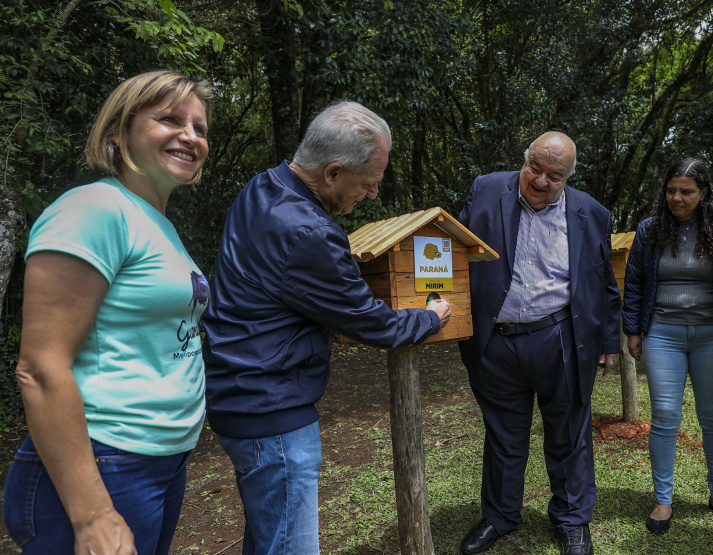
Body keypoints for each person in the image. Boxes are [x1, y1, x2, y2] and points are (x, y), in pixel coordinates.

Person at [202, 100, 451, 554]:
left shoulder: (261, 188)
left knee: (268, 540)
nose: (373, 194)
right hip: (271, 412)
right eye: (368, 183)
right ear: (332, 172)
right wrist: (430, 317)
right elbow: (372, 323)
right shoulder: (309, 232)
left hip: (239, 398)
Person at [2, 70, 213, 554]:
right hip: (104, 462)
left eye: (200, 128)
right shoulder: (94, 209)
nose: (190, 136)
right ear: (118, 132)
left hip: (161, 461)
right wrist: (93, 513)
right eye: (169, 119)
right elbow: (39, 367)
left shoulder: (156, 224)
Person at [456, 132, 621, 555]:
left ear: (568, 178)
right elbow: (451, 252)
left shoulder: (591, 212)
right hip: (496, 340)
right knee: (503, 435)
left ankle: (571, 520)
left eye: (555, 175)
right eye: (535, 167)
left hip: (561, 336)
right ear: (524, 158)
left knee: (569, 433)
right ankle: (499, 516)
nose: (541, 181)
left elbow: (603, 283)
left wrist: (607, 341)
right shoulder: (487, 189)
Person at [622, 158, 713, 535]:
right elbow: (635, 284)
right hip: (663, 334)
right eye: (671, 190)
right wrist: (633, 330)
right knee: (663, 416)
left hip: (712, 336)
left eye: (687, 191)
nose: (676, 197)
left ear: (704, 193)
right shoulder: (649, 230)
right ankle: (663, 499)